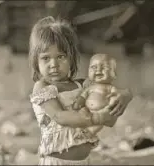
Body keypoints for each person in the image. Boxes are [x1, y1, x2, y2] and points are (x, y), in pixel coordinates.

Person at [29, 16, 132, 165]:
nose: (54, 64)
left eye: (60, 57)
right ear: (36, 61)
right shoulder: (42, 87)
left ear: (71, 58)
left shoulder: (82, 85)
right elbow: (59, 116)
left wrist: (125, 95)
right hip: (57, 162)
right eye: (46, 58)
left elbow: (107, 91)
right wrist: (93, 119)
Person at [72, 53, 119, 136]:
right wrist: (79, 102)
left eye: (104, 67)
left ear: (113, 74)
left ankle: (90, 132)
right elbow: (84, 95)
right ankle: (79, 131)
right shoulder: (90, 87)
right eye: (94, 67)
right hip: (87, 110)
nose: (98, 70)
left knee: (99, 123)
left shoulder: (109, 87)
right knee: (80, 115)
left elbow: (115, 98)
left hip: (101, 112)